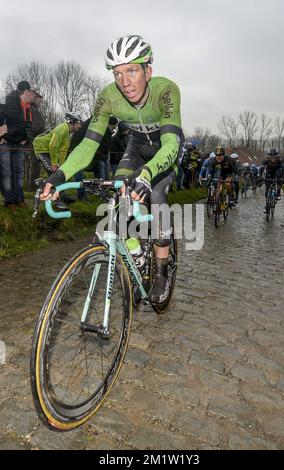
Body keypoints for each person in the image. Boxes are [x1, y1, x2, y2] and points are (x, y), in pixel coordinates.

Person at [40, 34, 184, 305]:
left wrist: (147, 174)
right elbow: (87, 146)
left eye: (132, 71)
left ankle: (162, 272)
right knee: (120, 199)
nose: (124, 82)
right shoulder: (107, 96)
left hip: (165, 150)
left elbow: (171, 144)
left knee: (155, 195)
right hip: (136, 148)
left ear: (147, 71)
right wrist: (59, 176)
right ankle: (136, 254)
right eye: (117, 73)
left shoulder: (166, 90)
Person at [33, 112, 82, 209]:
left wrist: (62, 167)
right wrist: (55, 163)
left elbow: (62, 151)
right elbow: (53, 145)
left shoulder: (68, 132)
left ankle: (62, 196)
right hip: (42, 149)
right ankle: (55, 200)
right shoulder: (62, 129)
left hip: (49, 150)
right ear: (72, 122)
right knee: (53, 174)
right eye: (79, 123)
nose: (80, 126)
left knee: (59, 174)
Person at [0, 80, 35, 211]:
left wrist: (26, 139)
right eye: (33, 93)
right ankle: (9, 202)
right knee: (6, 172)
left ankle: (19, 199)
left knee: (20, 172)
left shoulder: (28, 107)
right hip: (5, 143)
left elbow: (28, 126)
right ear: (27, 92)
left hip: (19, 144)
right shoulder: (6, 100)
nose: (34, 96)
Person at [26, 91, 45, 191]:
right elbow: (37, 128)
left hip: (30, 140)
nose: (40, 103)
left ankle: (29, 187)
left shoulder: (30, 108)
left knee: (30, 164)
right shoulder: (34, 110)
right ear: (35, 97)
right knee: (35, 163)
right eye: (40, 100)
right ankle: (32, 188)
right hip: (35, 141)